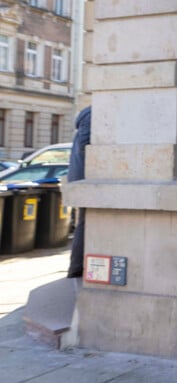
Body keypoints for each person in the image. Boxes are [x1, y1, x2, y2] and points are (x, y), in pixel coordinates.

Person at [67, 105, 91, 278]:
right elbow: (86, 148)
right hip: (85, 178)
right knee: (85, 222)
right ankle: (76, 267)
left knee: (84, 222)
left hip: (79, 177)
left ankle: (76, 266)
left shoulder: (86, 115)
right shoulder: (94, 115)